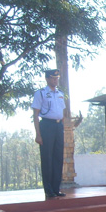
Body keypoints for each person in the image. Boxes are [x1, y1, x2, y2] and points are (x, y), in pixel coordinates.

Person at [32, 69, 66, 199]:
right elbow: (35, 114)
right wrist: (38, 134)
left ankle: (56, 188)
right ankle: (48, 190)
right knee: (47, 158)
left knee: (58, 158)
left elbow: (62, 112)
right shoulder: (41, 93)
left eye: (57, 78)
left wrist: (62, 127)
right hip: (46, 125)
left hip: (58, 126)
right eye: (53, 78)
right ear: (47, 79)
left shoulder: (60, 94)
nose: (55, 80)